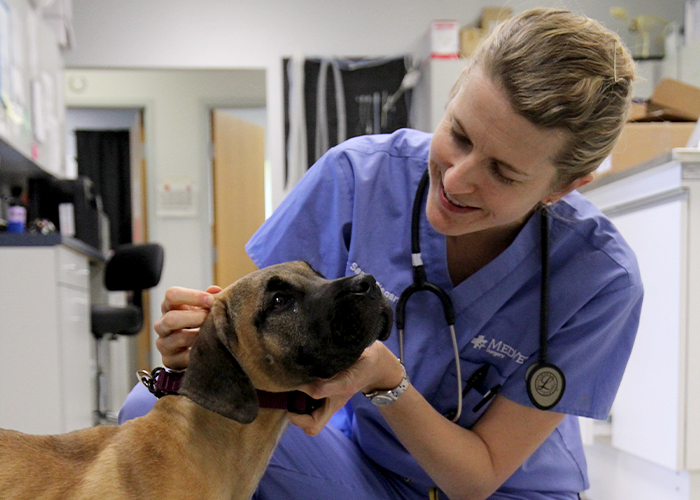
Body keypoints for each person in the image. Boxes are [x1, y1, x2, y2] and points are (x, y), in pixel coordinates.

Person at [120, 8, 643, 499]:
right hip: (366, 469)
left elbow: (477, 477)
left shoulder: (601, 278)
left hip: (505, 489)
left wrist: (384, 377)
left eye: (503, 172)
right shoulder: (357, 178)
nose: (458, 181)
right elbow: (267, 347)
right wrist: (209, 341)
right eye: (458, 135)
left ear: (565, 186)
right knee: (159, 402)